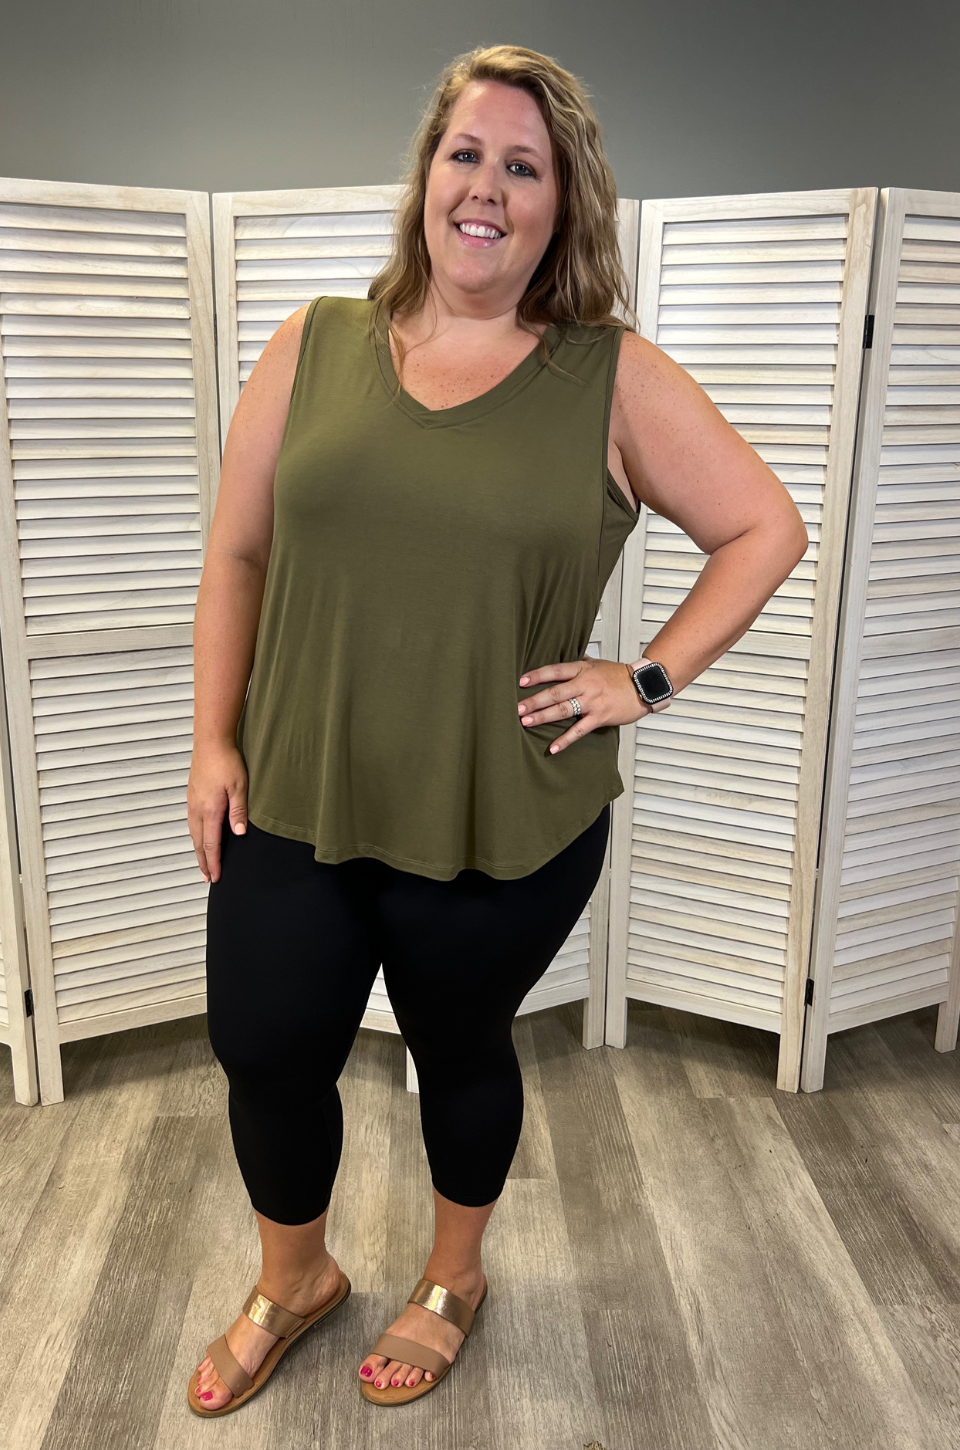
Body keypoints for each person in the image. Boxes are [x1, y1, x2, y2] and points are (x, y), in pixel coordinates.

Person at [185, 43, 808, 1416]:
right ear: (427, 175)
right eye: (465, 153)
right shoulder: (314, 343)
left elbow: (766, 526)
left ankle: (453, 1277)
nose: (487, 186)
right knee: (266, 1044)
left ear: (561, 204)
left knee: (457, 1050)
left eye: (523, 167)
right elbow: (238, 552)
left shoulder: (607, 375)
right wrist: (210, 738)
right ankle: (295, 1275)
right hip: (297, 784)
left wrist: (643, 679)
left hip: (502, 806)